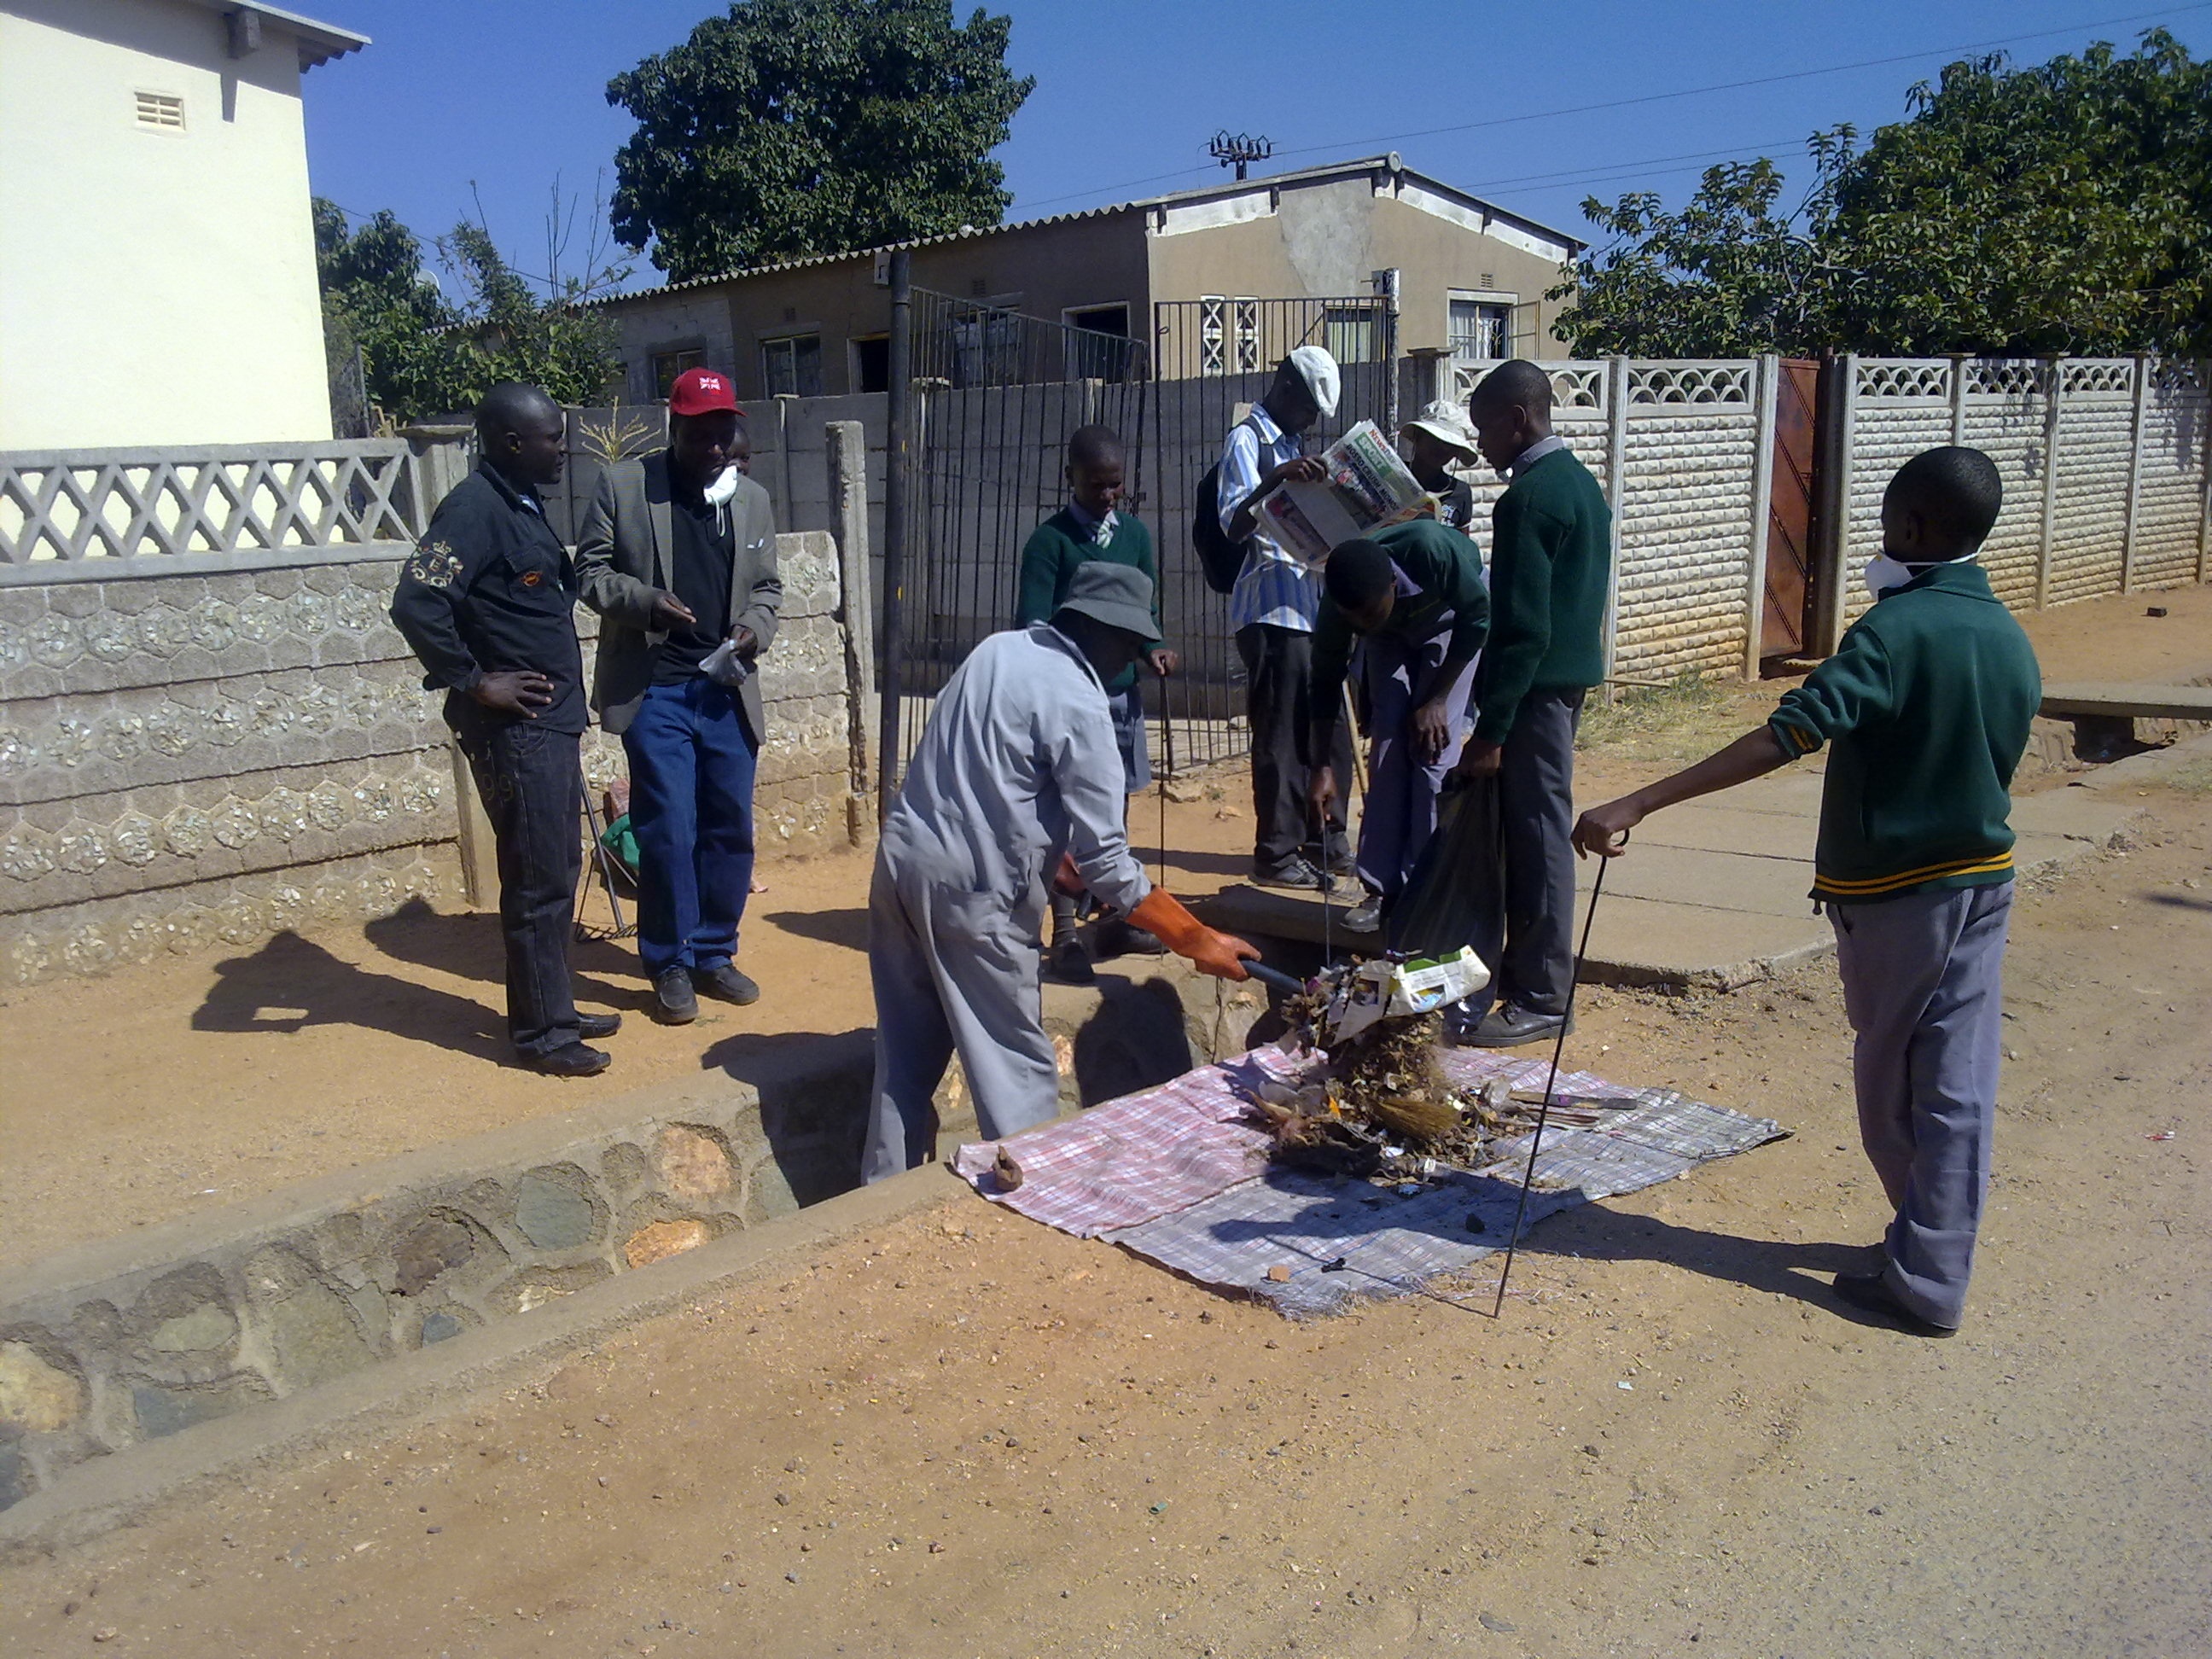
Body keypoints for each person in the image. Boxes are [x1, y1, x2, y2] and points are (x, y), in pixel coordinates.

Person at [1574, 447, 2039, 1338]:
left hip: (1901, 894)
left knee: (1897, 1079)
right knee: (1957, 1076)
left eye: (1888, 519)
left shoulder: (1896, 633)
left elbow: (1791, 733)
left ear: (1912, 527)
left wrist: (1639, 798)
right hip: (1984, 880)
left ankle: (1928, 1274)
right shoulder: (2006, 634)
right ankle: (1928, 1251)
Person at [864, 565, 1259, 1182]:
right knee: (1015, 1062)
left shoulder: (996, 650)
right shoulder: (1080, 700)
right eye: (1131, 646)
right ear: (1101, 630)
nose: (1131, 662)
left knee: (904, 1059)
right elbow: (1108, 863)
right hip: (976, 893)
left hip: (901, 867)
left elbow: (987, 775)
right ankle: (1041, 1195)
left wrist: (1051, 850)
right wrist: (1194, 939)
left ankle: (879, 1196)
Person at [390, 382, 619, 1077]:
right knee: (537, 879)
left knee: (556, 868)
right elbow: (416, 601)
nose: (564, 447)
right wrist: (474, 679)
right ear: (513, 443)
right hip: (514, 730)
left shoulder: (517, 503)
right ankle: (543, 1037)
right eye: (553, 436)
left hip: (547, 724)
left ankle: (554, 1006)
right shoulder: (473, 509)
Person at [575, 367, 783, 1024]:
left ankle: (714, 953)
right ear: (676, 427)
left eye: (725, 434)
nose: (717, 448)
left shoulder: (751, 500)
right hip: (657, 688)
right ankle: (667, 960)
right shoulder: (625, 485)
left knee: (729, 829)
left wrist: (755, 627)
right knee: (668, 831)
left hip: (726, 688)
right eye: (703, 434)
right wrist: (645, 603)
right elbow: (589, 573)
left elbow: (770, 589)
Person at [1453, 360, 1612, 1046]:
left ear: (1518, 419)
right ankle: (1530, 981)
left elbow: (1523, 629)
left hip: (1535, 693)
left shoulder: (1528, 500)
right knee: (1533, 831)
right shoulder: (1578, 484)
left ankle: (1545, 996)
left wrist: (1492, 728)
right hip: (1559, 688)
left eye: (1485, 427)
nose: (1481, 443)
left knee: (1539, 838)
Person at [1014, 423, 1178, 983]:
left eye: (1115, 487)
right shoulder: (1050, 541)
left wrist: (1152, 648)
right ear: (1070, 480)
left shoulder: (1133, 534)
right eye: (1096, 486)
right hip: (1069, 696)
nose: (1107, 497)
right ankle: (1063, 935)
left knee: (1112, 807)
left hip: (1120, 690)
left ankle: (1114, 913)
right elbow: (1034, 624)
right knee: (1063, 809)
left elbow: (1145, 603)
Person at [1218, 346, 1358, 890]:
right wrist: (1273, 479)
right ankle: (1276, 853)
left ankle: (1326, 839)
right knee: (1281, 735)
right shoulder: (1247, 442)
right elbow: (1232, 524)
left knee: (1327, 731)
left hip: (1312, 607)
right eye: (1308, 409)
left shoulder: (1296, 445)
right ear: (1286, 387)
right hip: (1271, 610)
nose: (1311, 421)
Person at [1306, 522, 1489, 931]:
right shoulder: (1346, 610)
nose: (1362, 627)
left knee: (1432, 754)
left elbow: (1477, 616)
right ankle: (1383, 891)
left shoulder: (1429, 551)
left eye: (1369, 615)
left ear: (1392, 583)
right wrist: (1321, 766)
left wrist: (1437, 699)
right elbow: (1323, 679)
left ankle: (1430, 893)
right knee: (1387, 750)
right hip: (1393, 636)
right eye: (1356, 623)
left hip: (1450, 618)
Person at [1399, 399, 1483, 534]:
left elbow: (1461, 547)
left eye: (1450, 445)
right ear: (1418, 437)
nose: (1442, 449)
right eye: (1435, 440)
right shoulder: (1393, 477)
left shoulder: (1460, 492)